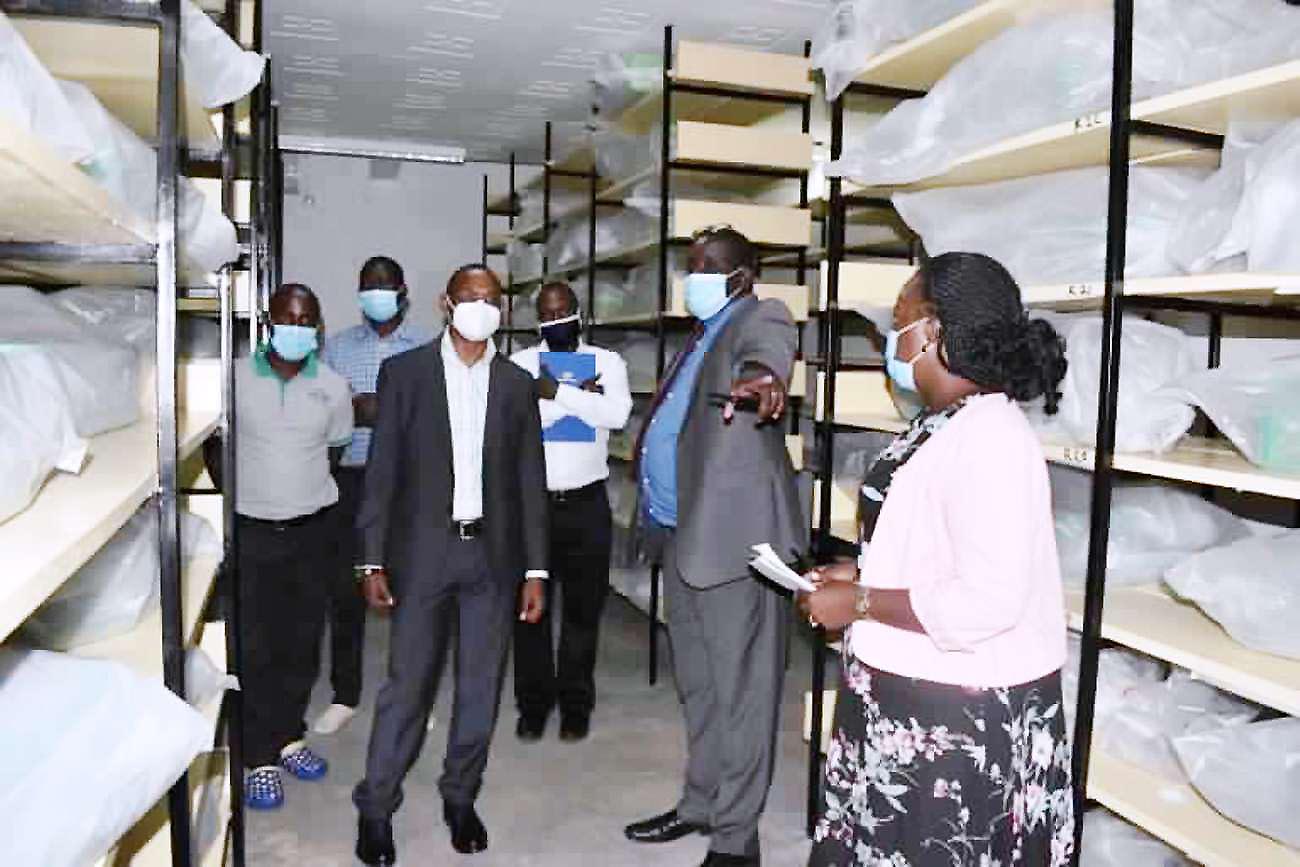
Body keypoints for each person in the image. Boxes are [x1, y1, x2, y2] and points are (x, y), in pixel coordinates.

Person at [799, 252, 1075, 867]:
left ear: (931, 331)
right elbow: (928, 544)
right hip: (904, 696)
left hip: (956, 722)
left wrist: (863, 602)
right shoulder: (942, 422)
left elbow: (988, 599)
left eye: (898, 321)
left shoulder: (994, 440)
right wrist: (861, 575)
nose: (888, 340)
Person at [352, 263, 548, 865]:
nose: (480, 307)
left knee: (480, 689)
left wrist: (536, 571)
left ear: (503, 312)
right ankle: (376, 807)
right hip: (423, 554)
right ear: (445, 303)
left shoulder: (516, 384)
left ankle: (460, 796)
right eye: (470, 297)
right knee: (407, 687)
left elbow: (528, 482)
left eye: (491, 299)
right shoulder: (404, 375)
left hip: (492, 558)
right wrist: (370, 560)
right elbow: (382, 473)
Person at [624, 227, 804, 867]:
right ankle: (700, 803)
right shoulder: (700, 337)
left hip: (735, 547)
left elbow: (769, 352)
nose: (693, 277)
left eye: (708, 267)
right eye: (691, 265)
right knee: (698, 686)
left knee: (743, 696)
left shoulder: (758, 316)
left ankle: (736, 842)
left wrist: (763, 380)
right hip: (685, 539)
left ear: (742, 275)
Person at [209, 283, 353, 810]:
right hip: (253, 532)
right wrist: (246, 496)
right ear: (270, 321)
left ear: (317, 327)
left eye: (307, 318)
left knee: (300, 643)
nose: (297, 326)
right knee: (254, 647)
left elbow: (334, 452)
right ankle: (257, 757)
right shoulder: (237, 377)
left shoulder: (332, 387)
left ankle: (289, 736)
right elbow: (213, 444)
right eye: (288, 316)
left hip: (311, 534)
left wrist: (299, 495)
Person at [509, 282, 632, 743]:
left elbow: (617, 416)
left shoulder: (608, 362)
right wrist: (580, 399)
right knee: (529, 612)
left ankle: (576, 705)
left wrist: (554, 394)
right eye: (548, 313)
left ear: (579, 313)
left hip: (586, 503)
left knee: (583, 611)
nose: (556, 319)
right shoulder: (520, 365)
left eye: (564, 311)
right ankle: (533, 705)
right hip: (533, 505)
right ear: (538, 319)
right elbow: (520, 424)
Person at [315, 256, 432, 736]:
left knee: (414, 593)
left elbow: (437, 415)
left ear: (402, 291)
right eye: (367, 286)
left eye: (384, 286)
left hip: (410, 485)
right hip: (351, 479)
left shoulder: (428, 346)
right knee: (346, 592)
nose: (376, 294)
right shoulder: (336, 348)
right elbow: (319, 411)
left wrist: (386, 411)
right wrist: (355, 413)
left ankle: (413, 698)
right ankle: (346, 695)